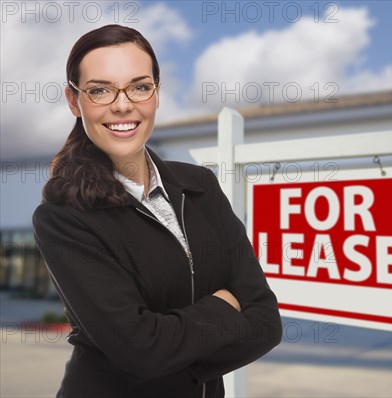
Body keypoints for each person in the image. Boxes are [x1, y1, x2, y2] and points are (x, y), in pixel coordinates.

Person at [32, 24, 282, 397]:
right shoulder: (63, 217)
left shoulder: (200, 188)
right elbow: (140, 350)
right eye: (100, 90)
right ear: (74, 101)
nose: (122, 104)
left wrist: (170, 355)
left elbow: (265, 322)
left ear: (156, 93)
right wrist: (224, 306)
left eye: (139, 86)